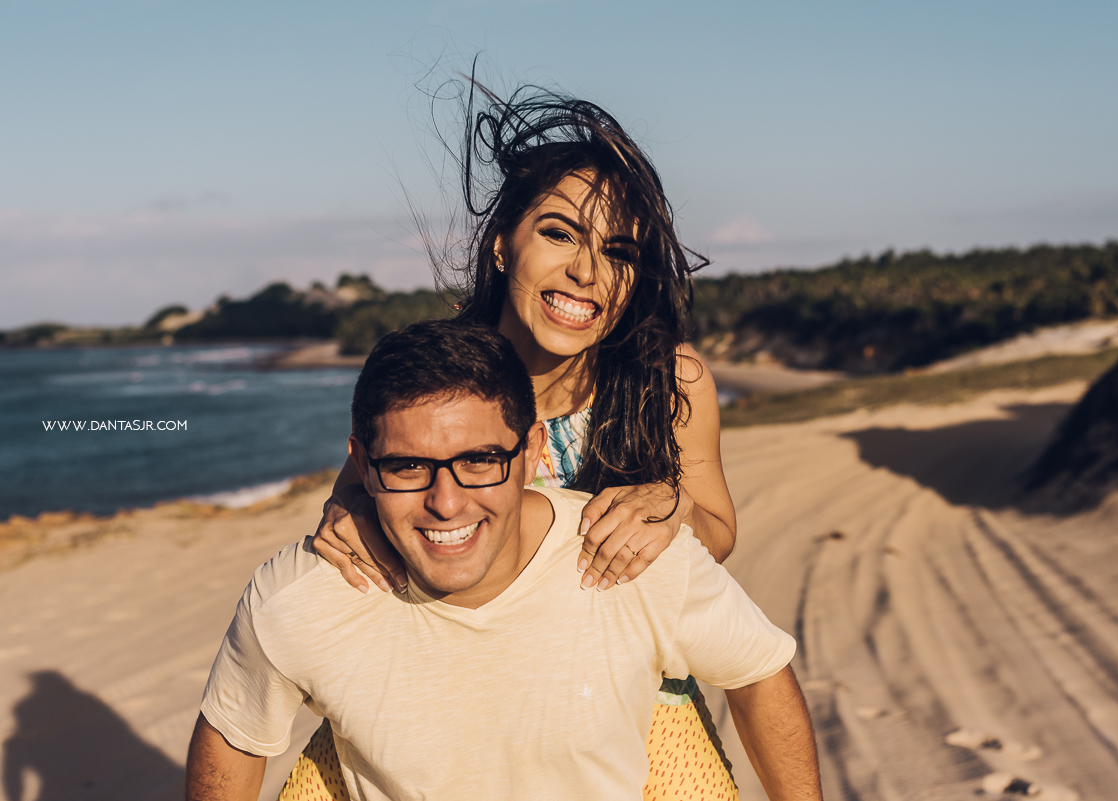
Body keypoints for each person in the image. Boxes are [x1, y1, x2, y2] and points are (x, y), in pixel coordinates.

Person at [298, 85, 745, 797]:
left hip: (625, 696)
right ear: (505, 240)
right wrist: (344, 516)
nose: (587, 272)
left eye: (619, 251)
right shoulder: (442, 372)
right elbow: (362, 492)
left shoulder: (672, 379)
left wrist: (670, 507)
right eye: (560, 233)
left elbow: (718, 531)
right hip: (454, 685)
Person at [186, 321, 822, 801]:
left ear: (532, 451)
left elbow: (760, 672)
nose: (445, 501)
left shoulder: (630, 555)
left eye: (479, 460)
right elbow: (232, 737)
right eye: (407, 466)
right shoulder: (302, 596)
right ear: (361, 463)